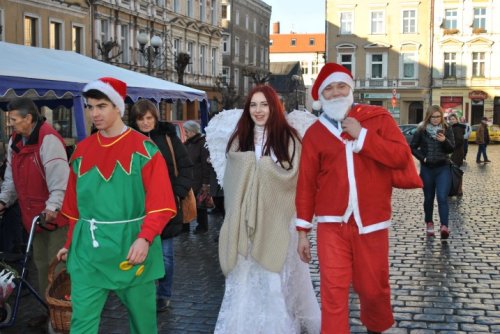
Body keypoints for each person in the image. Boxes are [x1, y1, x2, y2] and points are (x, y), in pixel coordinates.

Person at [296, 63, 414, 333]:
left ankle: (378, 325)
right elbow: (306, 183)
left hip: (371, 222)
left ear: (351, 88)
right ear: (321, 95)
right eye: (329, 88)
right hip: (331, 225)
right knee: (333, 292)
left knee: (373, 288)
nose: (336, 93)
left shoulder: (378, 118)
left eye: (341, 86)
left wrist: (362, 135)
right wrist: (303, 230)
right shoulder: (315, 133)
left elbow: (400, 157)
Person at [56, 77, 176, 333]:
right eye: (90, 107)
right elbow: (74, 207)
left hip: (132, 247)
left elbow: (161, 203)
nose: (94, 113)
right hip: (88, 251)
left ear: (118, 107)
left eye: (101, 106)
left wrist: (145, 238)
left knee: (143, 325)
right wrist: (69, 243)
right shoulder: (81, 151)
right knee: (81, 324)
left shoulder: (145, 149)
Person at [214, 85, 320, 334]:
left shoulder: (290, 139)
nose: (258, 110)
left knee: (273, 279)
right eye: (253, 105)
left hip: (277, 222)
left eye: (264, 104)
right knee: (244, 280)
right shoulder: (238, 139)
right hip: (243, 223)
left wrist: (264, 171)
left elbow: (294, 178)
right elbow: (233, 181)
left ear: (274, 107)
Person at [0, 97, 69, 326]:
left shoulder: (48, 140)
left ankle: (63, 313)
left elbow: (60, 180)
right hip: (33, 217)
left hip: (55, 218)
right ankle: (49, 309)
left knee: (56, 267)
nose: (11, 124)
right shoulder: (15, 142)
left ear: (28, 119)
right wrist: (3, 201)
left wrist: (52, 207)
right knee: (40, 265)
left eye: (14, 120)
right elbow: (11, 179)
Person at [129, 99, 193, 312]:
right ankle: (142, 291)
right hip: (138, 207)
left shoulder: (168, 138)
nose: (145, 123)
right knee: (138, 253)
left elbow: (185, 167)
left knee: (165, 255)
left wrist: (176, 193)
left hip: (166, 206)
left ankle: (163, 294)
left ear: (156, 118)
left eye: (149, 118)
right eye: (141, 119)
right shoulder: (129, 140)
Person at [410, 105, 455, 238]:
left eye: (438, 116)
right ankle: (429, 223)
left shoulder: (447, 129)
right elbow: (412, 147)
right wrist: (423, 158)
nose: (436, 119)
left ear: (442, 116)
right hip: (427, 169)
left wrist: (444, 141)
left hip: (443, 168)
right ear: (428, 117)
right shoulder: (421, 130)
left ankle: (444, 227)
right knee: (428, 198)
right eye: (433, 117)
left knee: (442, 197)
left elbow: (451, 148)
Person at [183, 120, 211, 234]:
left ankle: (202, 226)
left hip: (199, 179)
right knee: (187, 203)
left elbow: (205, 164)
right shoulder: (187, 143)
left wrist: (205, 182)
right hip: (188, 178)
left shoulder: (202, 143)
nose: (185, 133)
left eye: (187, 131)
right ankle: (185, 226)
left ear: (193, 131)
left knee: (200, 205)